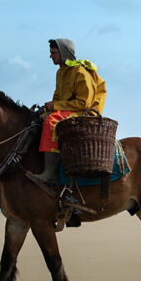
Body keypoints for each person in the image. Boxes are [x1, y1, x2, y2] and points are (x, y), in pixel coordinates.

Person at [28, 38, 108, 184]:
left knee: (51, 122)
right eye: (50, 52)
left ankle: (50, 173)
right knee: (38, 118)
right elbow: (57, 98)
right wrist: (48, 107)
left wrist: (55, 106)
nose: (50, 56)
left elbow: (84, 103)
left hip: (83, 112)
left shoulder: (80, 72)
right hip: (69, 110)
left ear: (64, 52)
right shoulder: (60, 73)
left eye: (53, 52)